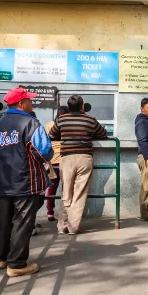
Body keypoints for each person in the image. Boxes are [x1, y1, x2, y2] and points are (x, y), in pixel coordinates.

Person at [0, 86, 53, 277]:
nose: (32, 103)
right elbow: (44, 151)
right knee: (23, 221)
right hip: (25, 180)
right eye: (30, 100)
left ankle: (1, 258)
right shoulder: (31, 123)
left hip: (4, 179)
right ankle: (17, 264)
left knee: (4, 219)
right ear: (22, 104)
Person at [48, 95, 107, 234]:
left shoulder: (62, 119)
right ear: (82, 106)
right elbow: (103, 134)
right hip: (84, 158)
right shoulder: (90, 119)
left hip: (67, 158)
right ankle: (73, 227)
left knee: (66, 192)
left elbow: (52, 135)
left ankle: (62, 226)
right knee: (80, 194)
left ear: (69, 107)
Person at [42, 105, 69, 222]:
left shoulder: (48, 125)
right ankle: (65, 213)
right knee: (66, 188)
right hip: (65, 158)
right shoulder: (67, 125)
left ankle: (50, 212)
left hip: (52, 160)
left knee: (52, 187)